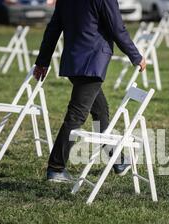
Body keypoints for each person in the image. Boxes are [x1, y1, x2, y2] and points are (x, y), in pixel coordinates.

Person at [33, 0, 146, 183]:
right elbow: (117, 28)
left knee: (100, 110)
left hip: (72, 61)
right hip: (93, 62)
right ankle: (56, 168)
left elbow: (53, 29)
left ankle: (117, 160)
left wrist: (42, 61)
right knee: (76, 116)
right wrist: (136, 56)